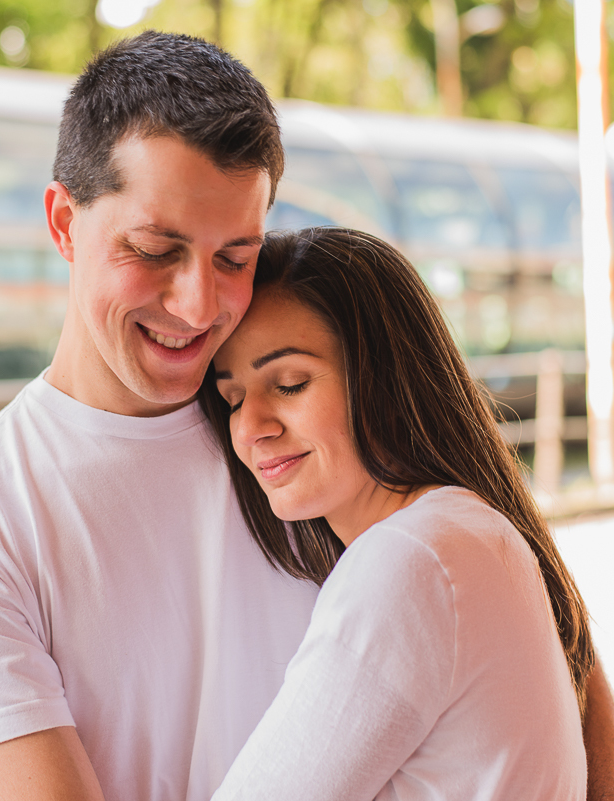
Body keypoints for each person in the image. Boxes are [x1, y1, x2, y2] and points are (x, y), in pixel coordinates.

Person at [0, 31, 614, 801]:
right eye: (153, 250)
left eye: (235, 257)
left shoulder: (317, 429)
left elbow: (561, 652)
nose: (198, 305)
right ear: (62, 223)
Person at [201, 227, 591, 799]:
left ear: (383, 375)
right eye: (233, 398)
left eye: (290, 384)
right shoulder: (471, 530)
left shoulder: (410, 558)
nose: (250, 426)